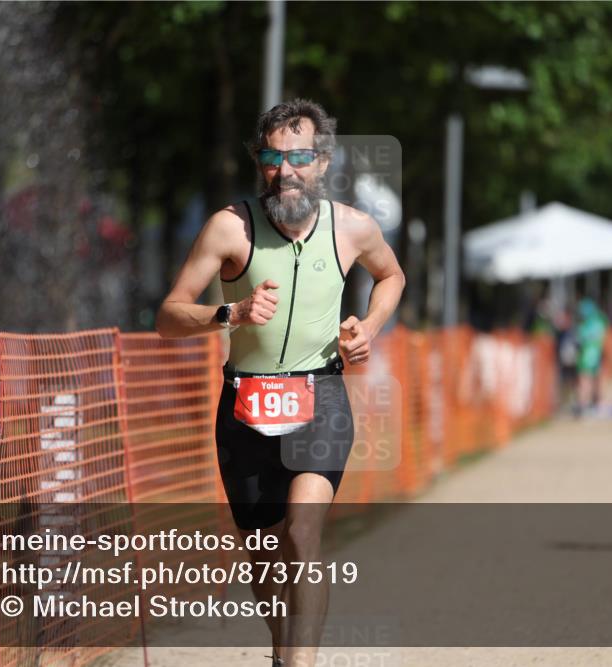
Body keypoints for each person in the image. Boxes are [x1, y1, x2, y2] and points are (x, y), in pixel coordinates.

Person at [156, 99, 405, 667]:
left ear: (321, 162)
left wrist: (367, 326)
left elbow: (391, 275)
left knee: (302, 535)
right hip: (244, 406)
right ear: (258, 161)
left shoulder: (353, 228)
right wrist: (229, 315)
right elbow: (169, 316)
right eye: (272, 156)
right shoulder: (229, 227)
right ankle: (280, 652)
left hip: (321, 398)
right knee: (265, 554)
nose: (285, 170)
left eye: (299, 157)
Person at [573, 298, 608, 416]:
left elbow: (579, 342)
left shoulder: (583, 326)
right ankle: (596, 403)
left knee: (585, 381)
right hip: (595, 356)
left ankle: (583, 404)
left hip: (586, 357)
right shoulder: (599, 322)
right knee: (596, 380)